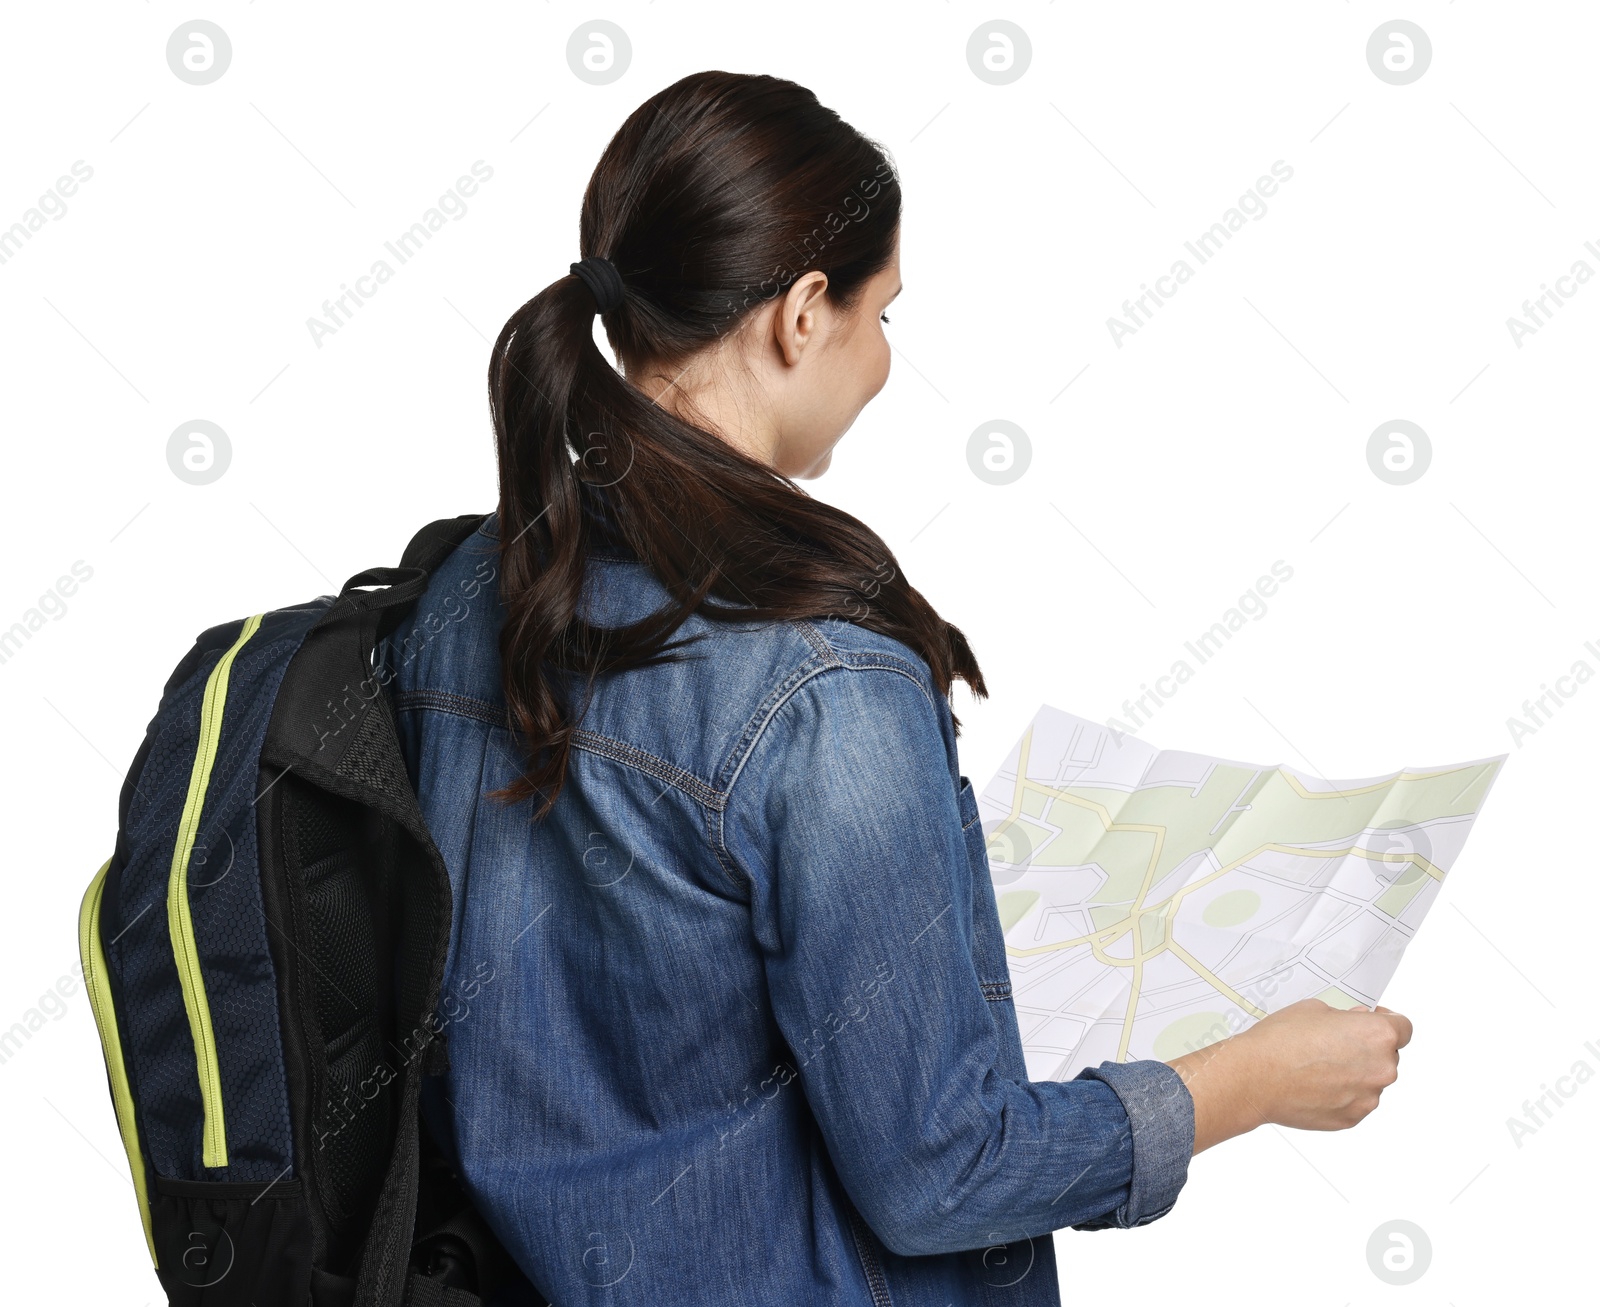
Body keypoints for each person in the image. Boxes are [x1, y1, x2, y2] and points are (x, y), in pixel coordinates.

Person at [382, 69, 1412, 1307]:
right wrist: (1248, 1079)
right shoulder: (817, 684)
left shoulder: (460, 593)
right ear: (801, 313)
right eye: (883, 315)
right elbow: (941, 1171)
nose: (882, 361)